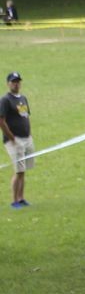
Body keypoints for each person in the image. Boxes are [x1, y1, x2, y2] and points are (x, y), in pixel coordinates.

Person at [1, 72, 33, 208]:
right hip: (15, 140)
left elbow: (25, 116)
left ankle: (21, 198)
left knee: (23, 170)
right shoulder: (5, 100)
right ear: (8, 83)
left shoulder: (23, 98)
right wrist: (12, 138)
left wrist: (29, 134)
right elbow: (1, 121)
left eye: (18, 81)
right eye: (13, 81)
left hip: (26, 138)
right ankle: (15, 200)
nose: (16, 83)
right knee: (18, 170)